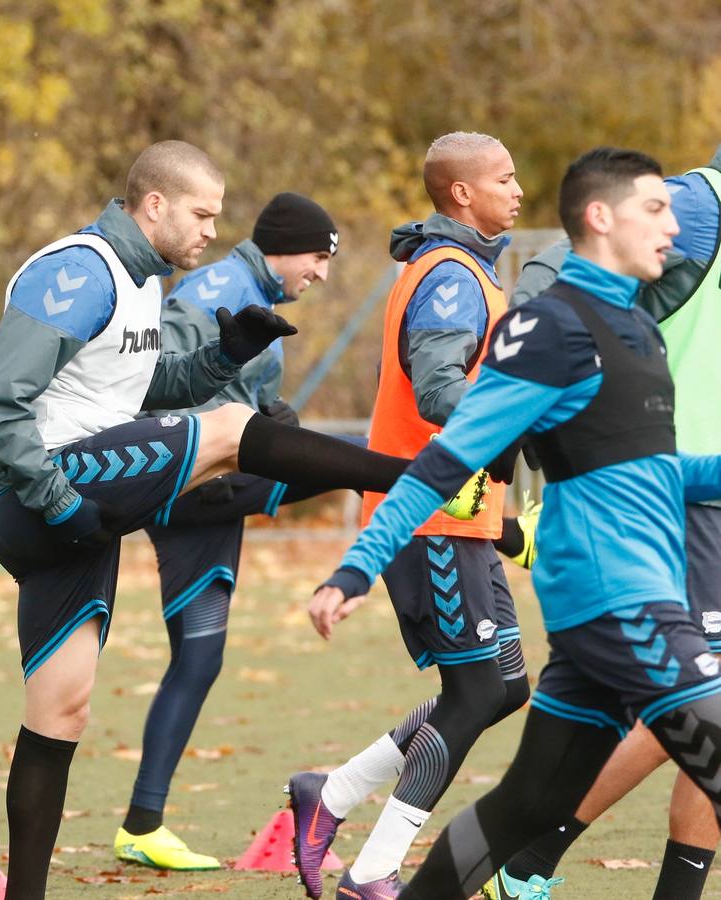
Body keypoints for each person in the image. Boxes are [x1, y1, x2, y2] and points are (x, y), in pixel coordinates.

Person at [0, 139, 489, 899]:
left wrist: (222, 357)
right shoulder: (80, 270)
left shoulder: (145, 284)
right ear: (154, 204)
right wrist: (57, 500)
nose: (214, 230)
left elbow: (148, 390)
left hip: (79, 507)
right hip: (36, 497)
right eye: (202, 213)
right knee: (227, 435)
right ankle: (422, 476)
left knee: (61, 709)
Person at [310, 146, 721, 900]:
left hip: (617, 605)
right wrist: (357, 565)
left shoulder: (635, 329)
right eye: (657, 210)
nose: (677, 227)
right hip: (618, 605)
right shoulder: (549, 332)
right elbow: (444, 458)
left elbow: (652, 470)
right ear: (601, 218)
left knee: (524, 807)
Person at [286, 131, 531, 900]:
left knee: (507, 686)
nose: (519, 189)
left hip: (466, 520)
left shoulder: (468, 270)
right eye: (505, 177)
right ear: (461, 193)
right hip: (427, 520)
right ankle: (373, 869)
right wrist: (527, 418)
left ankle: (327, 795)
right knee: (475, 694)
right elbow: (437, 392)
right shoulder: (453, 277)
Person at [482, 146, 721, 900]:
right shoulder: (700, 204)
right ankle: (528, 856)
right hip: (675, 506)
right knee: (683, 707)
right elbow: (560, 271)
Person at [114, 192, 340, 871]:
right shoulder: (216, 288)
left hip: (212, 492)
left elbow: (238, 388)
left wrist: (272, 412)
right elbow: (158, 383)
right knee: (354, 461)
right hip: (195, 483)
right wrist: (264, 435)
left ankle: (142, 824)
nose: (323, 274)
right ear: (286, 247)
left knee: (200, 654)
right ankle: (420, 474)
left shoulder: (253, 291)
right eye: (319, 258)